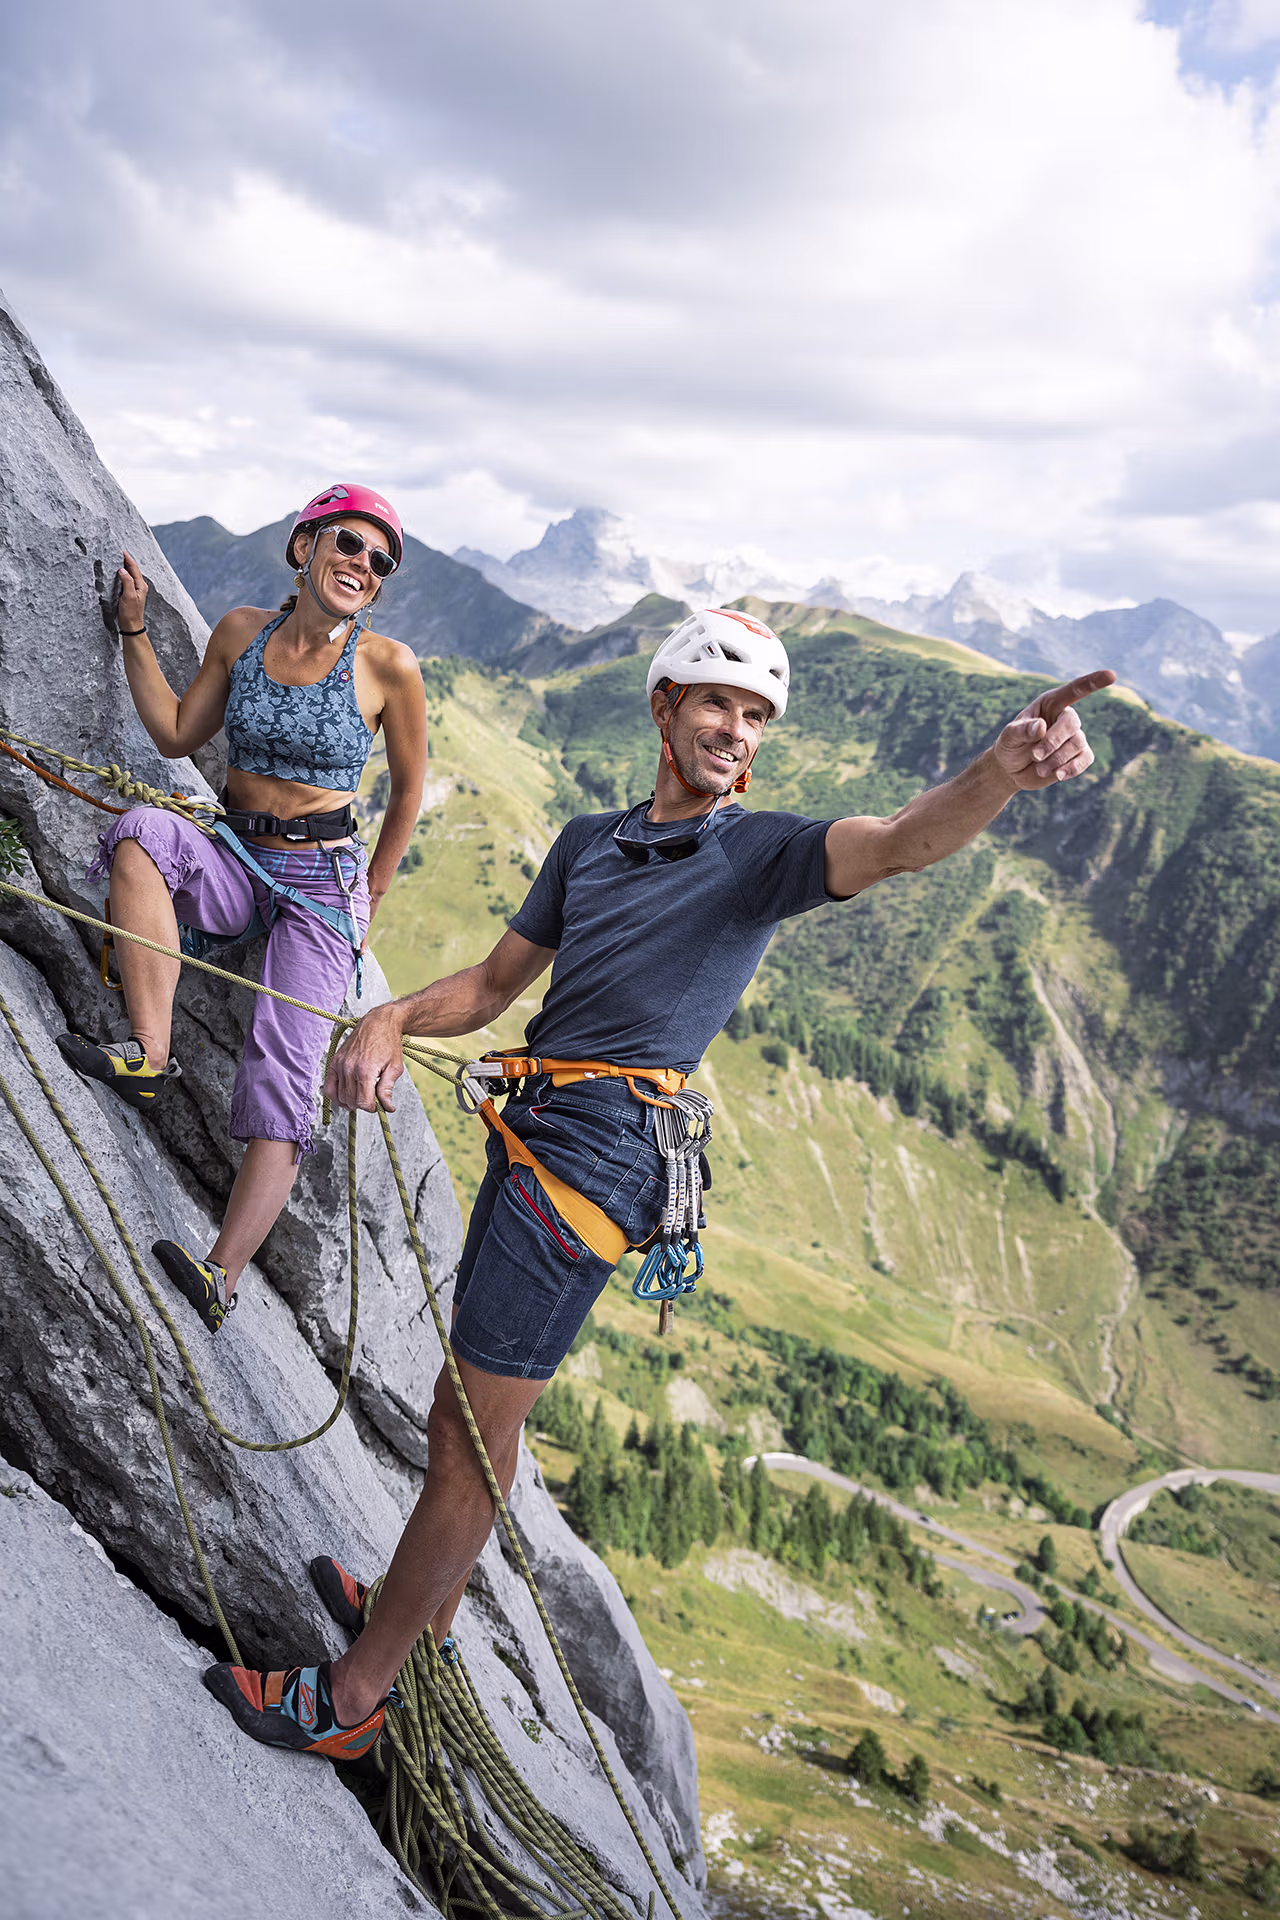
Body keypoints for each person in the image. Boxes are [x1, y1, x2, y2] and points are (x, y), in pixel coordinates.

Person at [201, 605, 1114, 1759]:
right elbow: (491, 985)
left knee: (471, 1438)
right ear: (663, 710)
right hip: (534, 1132)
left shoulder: (758, 855)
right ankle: (414, 1615)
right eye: (716, 704)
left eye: (754, 715)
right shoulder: (588, 841)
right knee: (464, 1417)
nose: (735, 730)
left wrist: (997, 770)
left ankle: (354, 1698)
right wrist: (388, 1014)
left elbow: (899, 843)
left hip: (598, 1161)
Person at [58, 484, 427, 1334]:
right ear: (306, 546)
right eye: (348, 544)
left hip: (320, 882)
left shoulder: (387, 667)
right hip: (236, 850)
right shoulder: (241, 633)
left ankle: (220, 1274)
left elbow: (408, 794)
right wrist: (133, 631)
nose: (362, 566)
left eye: (379, 561)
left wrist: (367, 896)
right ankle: (150, 1054)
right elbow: (177, 734)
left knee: (285, 1065)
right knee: (144, 830)